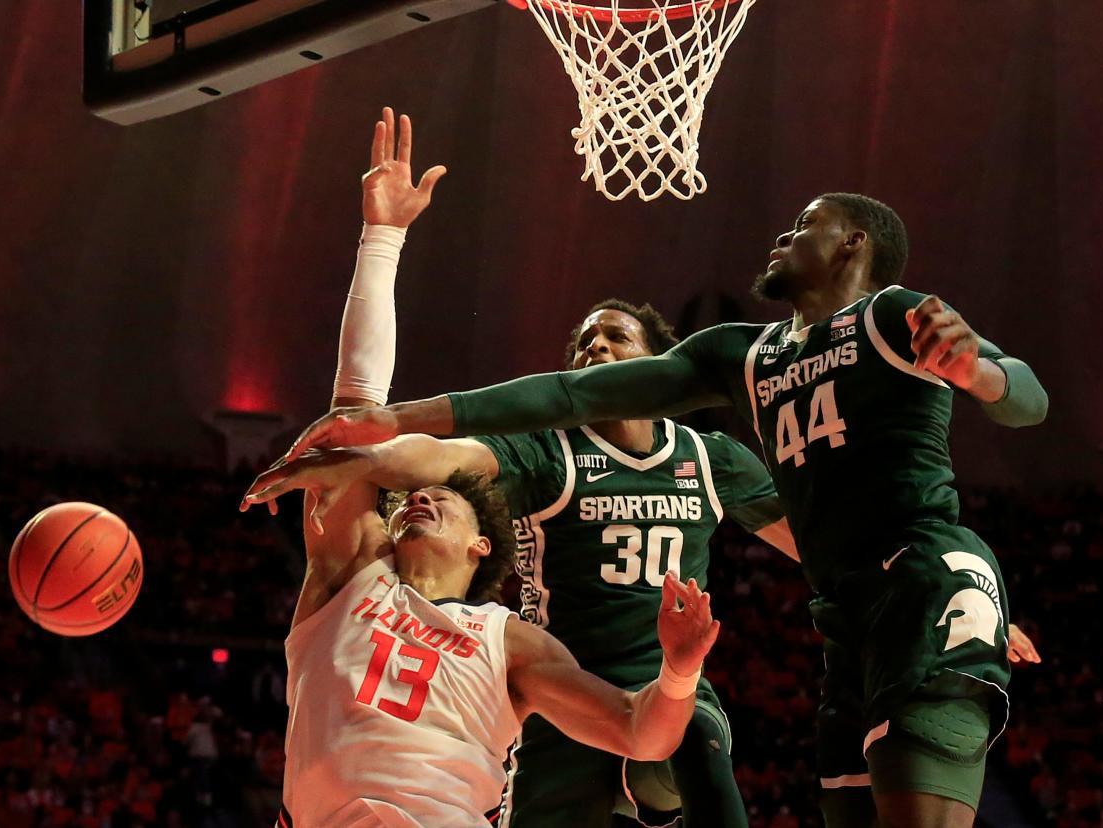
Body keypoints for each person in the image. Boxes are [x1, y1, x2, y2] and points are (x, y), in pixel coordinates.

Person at [275, 193, 1049, 828]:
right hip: (598, 672)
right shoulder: (724, 364)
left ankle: (651, 786)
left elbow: (1025, 395)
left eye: (806, 223)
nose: (782, 231)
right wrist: (388, 427)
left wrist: (979, 376)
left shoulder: (880, 325)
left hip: (795, 630)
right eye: (585, 340)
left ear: (852, 244)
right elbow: (540, 407)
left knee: (699, 749)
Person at [250, 106, 791, 828]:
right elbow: (374, 416)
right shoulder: (354, 575)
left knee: (685, 742)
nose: (421, 500)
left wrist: (685, 665)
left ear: (484, 545)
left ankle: (660, 800)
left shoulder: (507, 640)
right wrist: (382, 240)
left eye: (613, 341)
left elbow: (643, 722)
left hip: (642, 694)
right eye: (583, 347)